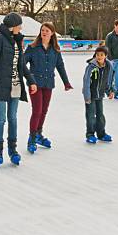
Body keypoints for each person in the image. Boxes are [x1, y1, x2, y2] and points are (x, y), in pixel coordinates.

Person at [0, 13, 37, 168]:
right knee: (1, 119)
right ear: (13, 26)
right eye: (19, 25)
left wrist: (31, 81)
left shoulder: (18, 40)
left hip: (16, 85)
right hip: (0, 84)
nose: (21, 28)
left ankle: (13, 150)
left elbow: (22, 65)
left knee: (13, 118)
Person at [23, 22, 73, 154]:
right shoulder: (32, 47)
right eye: (42, 30)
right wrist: (29, 79)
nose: (44, 32)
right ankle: (32, 138)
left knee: (44, 111)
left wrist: (66, 82)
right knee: (37, 111)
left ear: (52, 33)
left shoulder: (55, 50)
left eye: (47, 30)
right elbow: (22, 64)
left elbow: (60, 66)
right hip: (35, 84)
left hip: (48, 83)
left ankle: (39, 134)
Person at [82, 46, 115, 144]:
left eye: (101, 55)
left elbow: (108, 80)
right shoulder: (91, 67)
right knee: (91, 115)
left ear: (105, 56)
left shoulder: (108, 66)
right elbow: (86, 82)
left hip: (100, 95)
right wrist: (87, 96)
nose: (99, 57)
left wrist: (109, 91)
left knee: (100, 115)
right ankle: (90, 134)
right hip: (91, 96)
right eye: (97, 55)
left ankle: (101, 134)